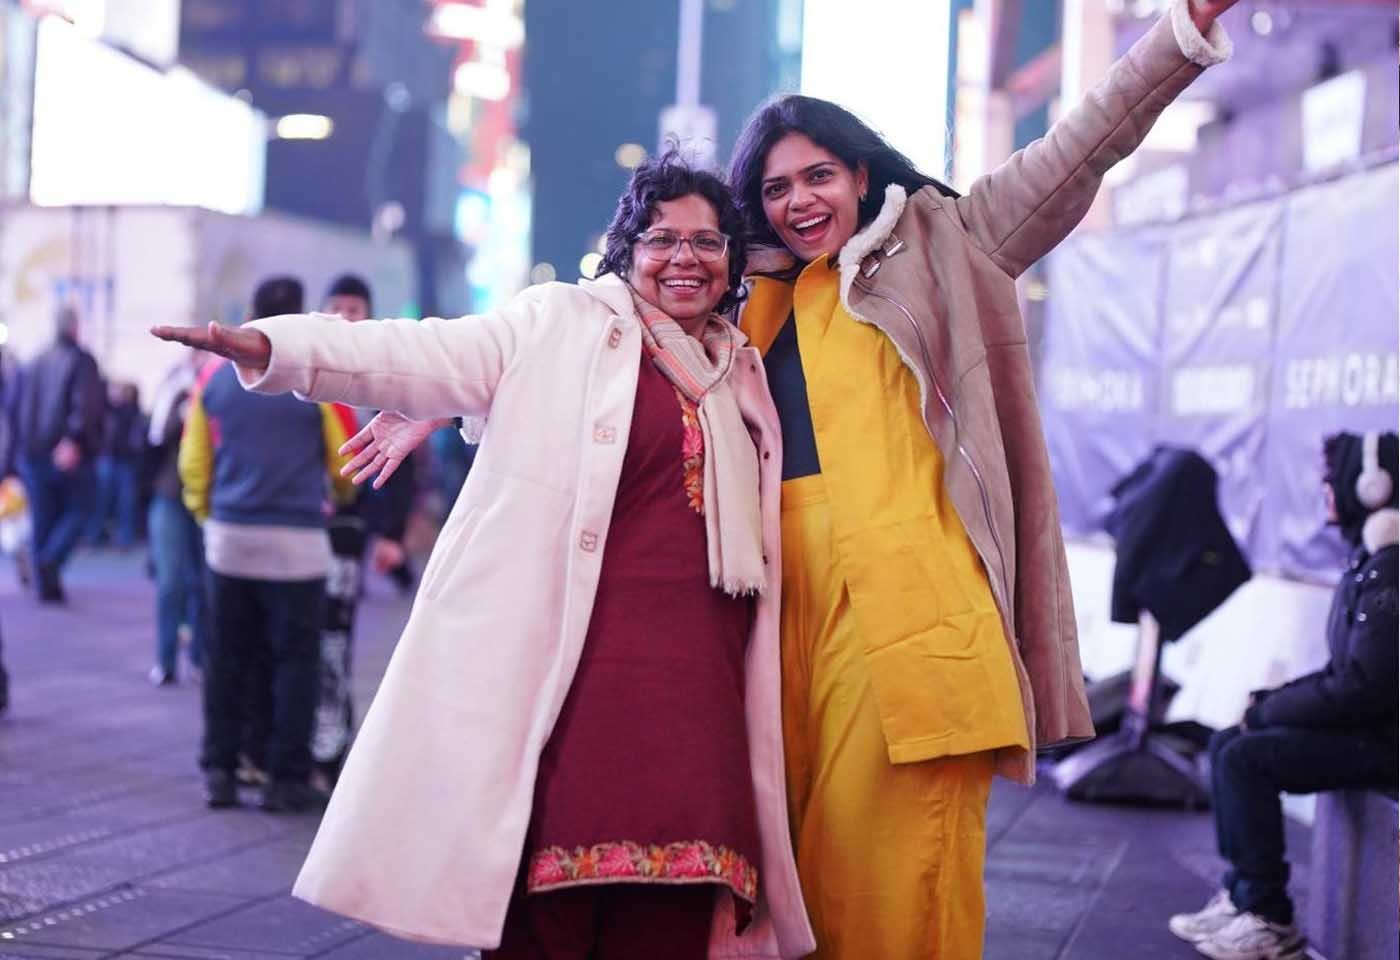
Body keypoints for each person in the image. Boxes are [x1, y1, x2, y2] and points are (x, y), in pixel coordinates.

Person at [344, 4, 1240, 956]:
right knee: (792, 904)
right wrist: (454, 397)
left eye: (819, 175)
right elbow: (597, 349)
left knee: (897, 900)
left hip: (914, 626)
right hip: (775, 629)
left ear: (861, 174)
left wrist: (1179, 32)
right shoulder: (743, 306)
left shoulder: (953, 242)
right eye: (775, 187)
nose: (799, 201)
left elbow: (1079, 149)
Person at [153, 154, 815, 959]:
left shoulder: (738, 368)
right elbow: (421, 352)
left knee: (671, 922)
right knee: (545, 915)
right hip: (579, 686)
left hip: (702, 698)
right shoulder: (560, 322)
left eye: (708, 242)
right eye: (662, 239)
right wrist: (273, 347)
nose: (686, 258)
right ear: (625, 251)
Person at [1169, 431, 1398, 960]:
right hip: (1370, 728)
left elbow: (1365, 688)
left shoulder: (1391, 571)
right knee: (1227, 743)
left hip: (1385, 742)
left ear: (1371, 487)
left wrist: (1269, 711)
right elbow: (1347, 674)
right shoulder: (1371, 561)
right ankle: (1243, 896)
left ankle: (1269, 918)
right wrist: (1268, 702)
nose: (1325, 492)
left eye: (1333, 481)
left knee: (1246, 758)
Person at [178, 276, 355, 812]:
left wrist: (211, 514)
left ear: (252, 312)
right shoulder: (316, 381)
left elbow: (194, 464)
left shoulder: (214, 380)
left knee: (226, 657)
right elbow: (344, 465)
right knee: (296, 662)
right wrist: (334, 499)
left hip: (231, 539)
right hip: (298, 545)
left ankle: (221, 771)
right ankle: (286, 779)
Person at [311, 273, 417, 786]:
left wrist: (392, 533)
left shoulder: (384, 381)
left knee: (332, 641)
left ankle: (327, 749)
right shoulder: (307, 374)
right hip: (299, 526)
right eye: (337, 307)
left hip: (347, 532)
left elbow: (404, 461)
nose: (345, 317)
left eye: (354, 309)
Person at [13, 305, 104, 603]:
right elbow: (85, 404)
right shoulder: (80, 360)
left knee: (43, 519)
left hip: (32, 453)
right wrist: (74, 440)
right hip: (65, 452)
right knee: (81, 510)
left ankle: (45, 583)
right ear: (75, 326)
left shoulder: (33, 361)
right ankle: (49, 560)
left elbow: (17, 409)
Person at [145, 349, 209, 686]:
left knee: (204, 583)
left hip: (208, 498)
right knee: (170, 581)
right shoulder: (174, 386)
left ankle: (199, 657)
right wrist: (182, 405)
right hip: (170, 495)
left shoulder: (221, 386)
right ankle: (165, 659)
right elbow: (154, 438)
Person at [88, 381, 147, 549]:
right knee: (102, 500)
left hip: (124, 461)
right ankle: (95, 534)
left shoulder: (131, 411)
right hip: (108, 458)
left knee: (125, 502)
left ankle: (124, 537)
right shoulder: (106, 410)